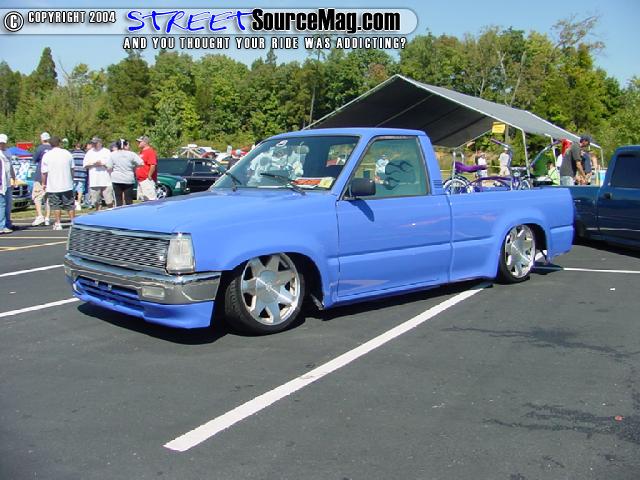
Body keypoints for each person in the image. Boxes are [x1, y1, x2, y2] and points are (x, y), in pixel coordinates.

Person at [41, 136, 75, 230]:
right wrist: (71, 179)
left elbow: (44, 172)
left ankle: (58, 223)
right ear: (60, 143)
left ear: (50, 144)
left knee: (56, 205)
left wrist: (44, 183)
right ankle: (73, 222)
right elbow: (72, 169)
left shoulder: (47, 155)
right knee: (70, 205)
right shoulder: (67, 153)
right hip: (67, 184)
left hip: (53, 185)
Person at [110, 139, 143, 206]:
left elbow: (108, 166)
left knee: (118, 199)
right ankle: (129, 211)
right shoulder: (131, 154)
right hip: (128, 179)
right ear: (124, 145)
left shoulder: (112, 154)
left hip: (117, 179)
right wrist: (133, 166)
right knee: (129, 199)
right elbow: (141, 163)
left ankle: (119, 210)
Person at [83, 137, 113, 210]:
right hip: (94, 181)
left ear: (100, 143)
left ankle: (111, 212)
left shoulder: (107, 151)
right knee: (96, 201)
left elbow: (111, 165)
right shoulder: (89, 152)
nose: (94, 144)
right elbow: (85, 165)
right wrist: (94, 164)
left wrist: (103, 164)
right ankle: (98, 212)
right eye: (93, 143)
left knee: (109, 201)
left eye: (95, 143)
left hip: (106, 180)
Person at [31, 132, 52, 226]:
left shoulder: (40, 148)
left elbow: (34, 159)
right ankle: (47, 217)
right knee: (49, 198)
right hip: (50, 176)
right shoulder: (52, 149)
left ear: (42, 139)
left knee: (37, 196)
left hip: (40, 175)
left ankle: (40, 216)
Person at [0, 133, 16, 234]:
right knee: (2, 204)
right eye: (0, 143)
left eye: (3, 143)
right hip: (1, 184)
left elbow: (10, 167)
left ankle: (8, 223)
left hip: (8, 183)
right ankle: (1, 226)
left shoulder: (8, 153)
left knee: (8, 204)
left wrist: (14, 177)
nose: (1, 145)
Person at [135, 135, 158, 201]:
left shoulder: (150, 151)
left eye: (140, 142)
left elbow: (153, 164)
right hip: (140, 180)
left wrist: (149, 175)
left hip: (146, 180)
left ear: (145, 142)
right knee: (142, 200)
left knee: (150, 200)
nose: (138, 143)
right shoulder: (141, 152)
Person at [71, 142, 88, 211]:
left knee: (73, 189)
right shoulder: (84, 154)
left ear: (75, 146)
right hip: (82, 173)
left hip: (74, 173)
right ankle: (79, 203)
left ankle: (73, 202)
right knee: (80, 189)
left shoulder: (72, 154)